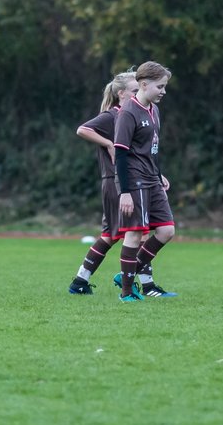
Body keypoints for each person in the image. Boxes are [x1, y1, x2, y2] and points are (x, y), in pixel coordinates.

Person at [68, 71, 138, 295]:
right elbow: (83, 129)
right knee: (137, 231)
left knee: (111, 235)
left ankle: (80, 281)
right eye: (135, 91)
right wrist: (108, 143)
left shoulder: (132, 115)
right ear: (121, 94)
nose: (139, 94)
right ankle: (139, 282)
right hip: (115, 182)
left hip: (124, 182)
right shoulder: (112, 115)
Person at [113, 60, 178, 302]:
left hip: (151, 178)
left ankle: (127, 273)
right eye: (159, 86)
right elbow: (120, 153)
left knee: (166, 230)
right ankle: (127, 292)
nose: (163, 91)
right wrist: (125, 192)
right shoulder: (128, 112)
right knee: (133, 234)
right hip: (135, 180)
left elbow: (152, 148)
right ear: (143, 84)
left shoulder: (154, 110)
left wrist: (159, 173)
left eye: (164, 87)